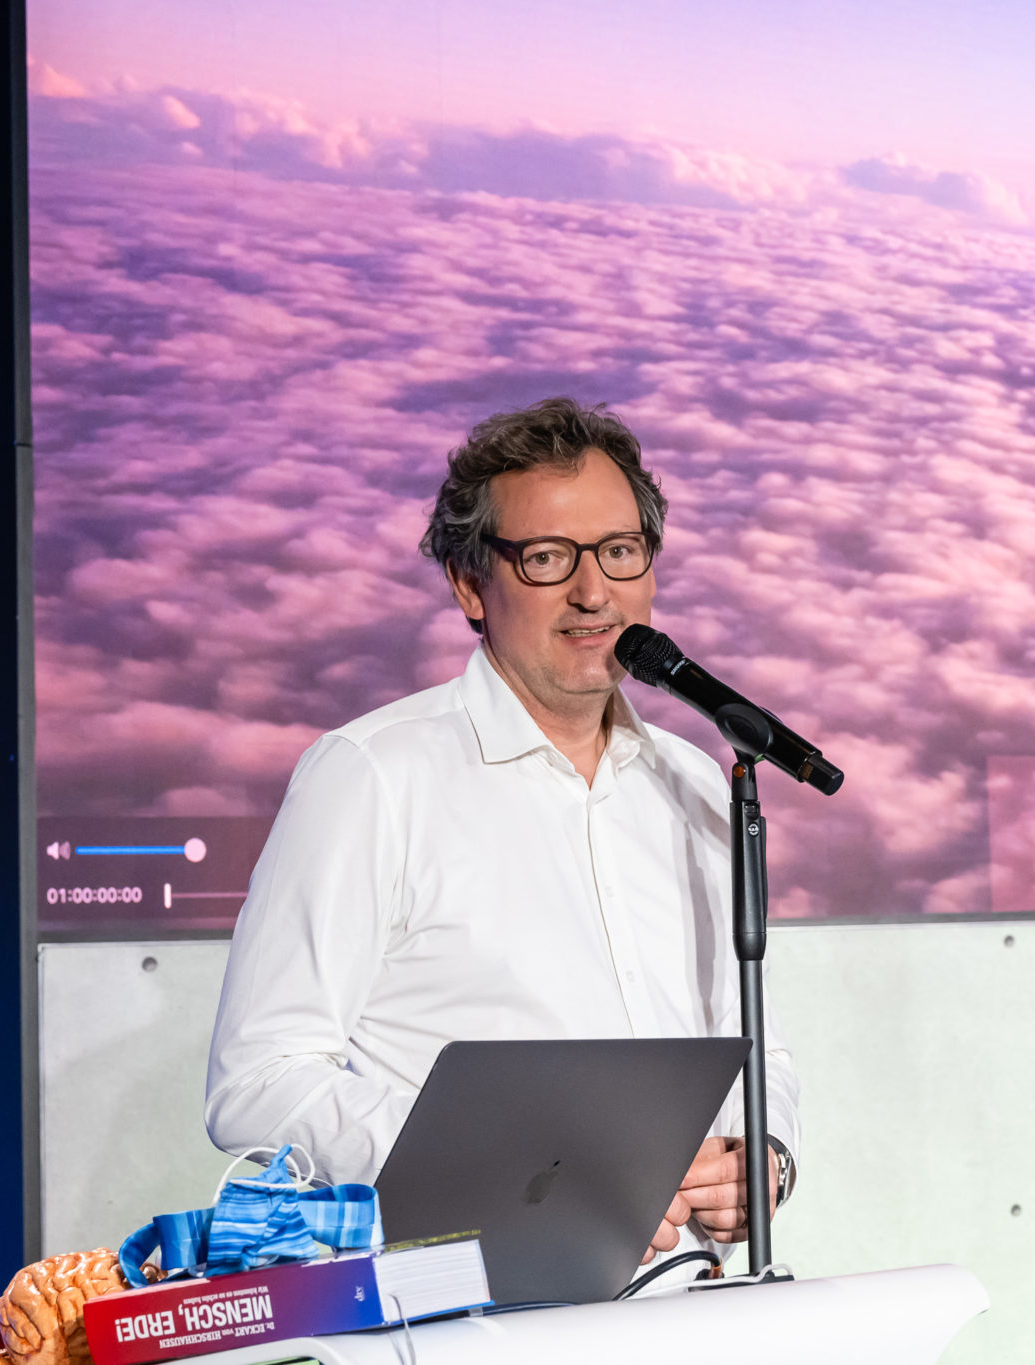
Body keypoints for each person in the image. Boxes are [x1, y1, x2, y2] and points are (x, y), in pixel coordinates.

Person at [204, 397, 798, 1273]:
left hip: (690, 1302)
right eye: (549, 557)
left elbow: (753, 1040)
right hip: (474, 1307)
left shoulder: (697, 782)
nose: (594, 591)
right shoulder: (372, 775)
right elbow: (259, 1080)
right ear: (468, 582)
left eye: (620, 550)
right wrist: (520, 1174)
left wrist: (765, 1155)